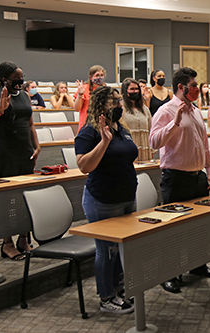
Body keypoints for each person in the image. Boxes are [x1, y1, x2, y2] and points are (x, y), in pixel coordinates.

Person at [149, 67, 210, 294]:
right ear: (181, 87)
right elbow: (154, 142)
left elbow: (203, 141)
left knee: (200, 225)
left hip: (197, 176)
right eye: (193, 86)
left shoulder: (197, 111)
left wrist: (209, 167)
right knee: (172, 228)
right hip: (175, 178)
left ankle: (198, 265)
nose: (197, 90)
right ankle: (167, 274)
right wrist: (175, 123)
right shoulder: (165, 111)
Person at [75, 86, 136, 314]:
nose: (119, 105)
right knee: (106, 250)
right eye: (114, 102)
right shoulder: (89, 131)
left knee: (121, 249)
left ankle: (119, 290)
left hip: (126, 196)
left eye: (120, 101)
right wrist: (104, 142)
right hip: (102, 198)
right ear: (101, 105)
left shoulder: (121, 128)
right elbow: (83, 166)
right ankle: (106, 297)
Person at [0, 61, 40, 260]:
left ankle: (23, 239)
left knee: (25, 197)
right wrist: (0, 110)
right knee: (6, 198)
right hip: (6, 150)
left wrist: (37, 145)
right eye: (15, 78)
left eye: (21, 77)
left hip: (25, 148)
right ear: (4, 79)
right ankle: (6, 243)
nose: (20, 81)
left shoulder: (24, 95)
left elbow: (30, 124)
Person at [120, 77, 153, 161]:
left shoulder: (145, 109)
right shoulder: (121, 108)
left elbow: (151, 128)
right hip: (127, 150)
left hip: (145, 151)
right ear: (125, 91)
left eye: (137, 89)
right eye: (132, 89)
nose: (135, 91)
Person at [75, 65, 107, 132]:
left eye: (102, 75)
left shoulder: (106, 89)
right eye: (97, 75)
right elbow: (77, 108)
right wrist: (80, 94)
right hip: (86, 126)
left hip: (103, 126)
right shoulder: (84, 88)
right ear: (90, 77)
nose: (100, 77)